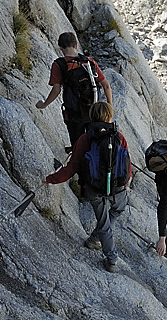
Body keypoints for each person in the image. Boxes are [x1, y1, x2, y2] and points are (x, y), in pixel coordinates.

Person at [44, 101, 131, 272]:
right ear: (109, 116)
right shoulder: (119, 136)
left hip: (94, 188)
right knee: (118, 209)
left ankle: (103, 248)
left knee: (103, 222)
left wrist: (51, 179)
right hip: (118, 188)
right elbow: (126, 164)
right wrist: (124, 183)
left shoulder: (85, 138)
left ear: (92, 116)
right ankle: (109, 255)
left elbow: (72, 167)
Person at [35, 32, 113, 148]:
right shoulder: (89, 62)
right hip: (94, 111)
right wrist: (109, 108)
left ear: (60, 48)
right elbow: (106, 86)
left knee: (78, 146)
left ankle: (80, 162)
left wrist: (44, 104)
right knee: (96, 144)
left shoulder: (59, 64)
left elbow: (56, 90)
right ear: (76, 45)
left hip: (74, 114)